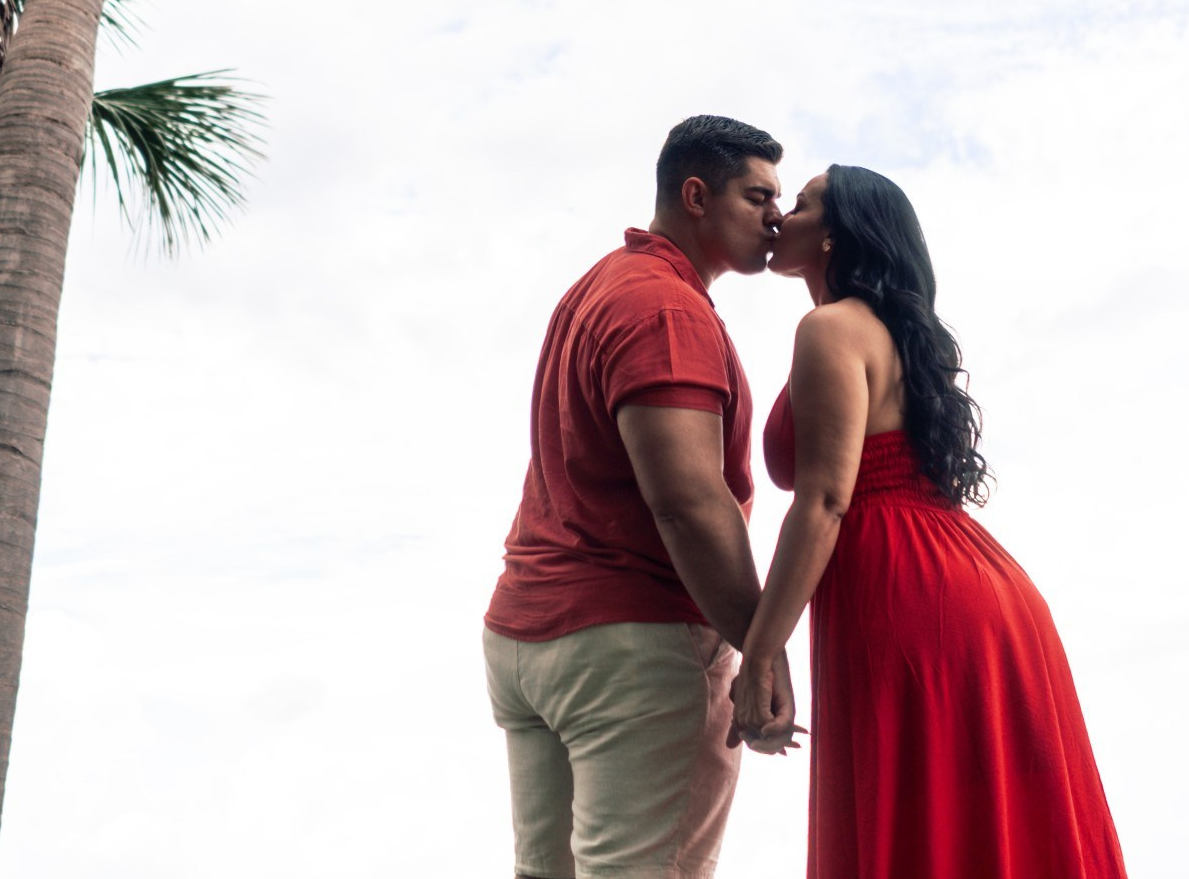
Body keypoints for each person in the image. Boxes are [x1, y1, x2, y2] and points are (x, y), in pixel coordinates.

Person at [730, 165, 1128, 879]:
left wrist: (758, 652)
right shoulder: (889, 334)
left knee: (921, 817)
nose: (781, 215)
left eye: (803, 204)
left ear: (835, 235)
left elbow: (824, 498)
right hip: (977, 589)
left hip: (908, 588)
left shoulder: (830, 328)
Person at [483, 115, 794, 879]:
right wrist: (760, 645)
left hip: (527, 634)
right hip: (628, 644)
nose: (775, 217)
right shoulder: (665, 308)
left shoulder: (599, 286)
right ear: (696, 194)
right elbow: (688, 500)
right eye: (757, 196)